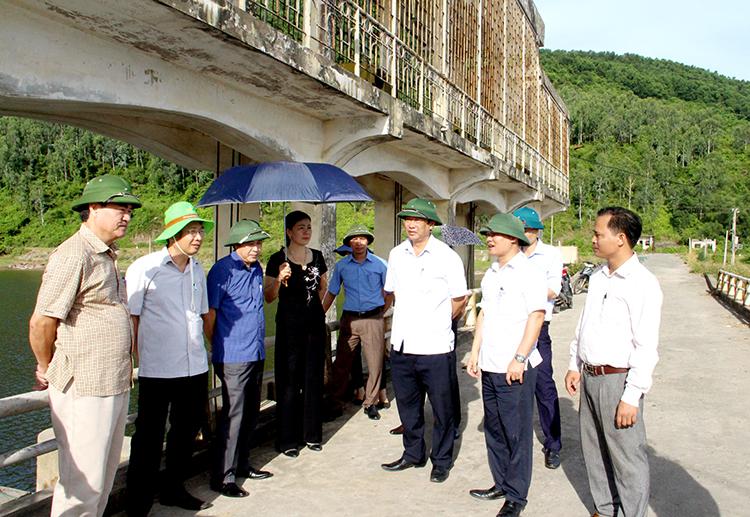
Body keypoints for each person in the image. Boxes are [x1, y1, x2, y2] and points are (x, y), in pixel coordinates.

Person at [28, 175, 140, 516]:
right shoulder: (74, 254)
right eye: (119, 208)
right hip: (85, 386)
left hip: (112, 382)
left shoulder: (106, 255)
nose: (126, 216)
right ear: (92, 208)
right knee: (82, 484)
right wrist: (45, 366)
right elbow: (42, 322)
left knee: (102, 477)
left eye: (129, 210)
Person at [564, 207, 662, 517]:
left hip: (618, 380)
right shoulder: (599, 276)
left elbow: (646, 346)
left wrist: (631, 396)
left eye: (598, 234)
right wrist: (574, 363)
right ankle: (605, 509)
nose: (593, 239)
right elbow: (585, 324)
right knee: (594, 450)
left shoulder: (642, 283)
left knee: (626, 457)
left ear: (620, 238)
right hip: (591, 376)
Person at [124, 202, 213, 515]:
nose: (198, 237)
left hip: (194, 366)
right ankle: (138, 502)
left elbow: (202, 315)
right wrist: (133, 361)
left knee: (185, 433)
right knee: (148, 437)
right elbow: (132, 319)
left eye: (200, 231)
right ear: (173, 234)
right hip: (157, 369)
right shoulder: (144, 269)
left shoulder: (197, 270)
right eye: (191, 231)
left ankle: (174, 490)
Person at [380, 198, 468, 484]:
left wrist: (438, 322)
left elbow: (459, 300)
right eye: (407, 219)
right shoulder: (396, 254)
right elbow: (390, 292)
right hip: (403, 345)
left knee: (442, 408)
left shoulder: (447, 257)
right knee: (408, 405)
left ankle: (441, 460)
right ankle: (413, 453)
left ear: (431, 224)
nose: (411, 224)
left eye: (417, 220)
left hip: (435, 347)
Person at [466, 213, 546, 517]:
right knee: (495, 427)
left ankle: (516, 495)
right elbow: (484, 314)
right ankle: (500, 482)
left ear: (513, 239)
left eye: (495, 234)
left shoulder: (529, 272)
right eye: (488, 234)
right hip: (491, 363)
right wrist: (475, 352)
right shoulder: (492, 273)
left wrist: (520, 358)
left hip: (515, 366)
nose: (489, 239)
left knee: (516, 432)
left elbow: (536, 316)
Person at [206, 220, 274, 498]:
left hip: (255, 351)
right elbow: (210, 315)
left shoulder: (256, 269)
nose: (256, 249)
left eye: (258, 243)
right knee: (233, 415)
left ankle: (242, 464)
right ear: (237, 244)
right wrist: (219, 344)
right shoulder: (222, 270)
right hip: (233, 355)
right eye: (250, 244)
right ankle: (223, 477)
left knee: (250, 412)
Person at [264, 210, 328, 456]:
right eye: (301, 227)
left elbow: (323, 287)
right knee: (288, 382)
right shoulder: (277, 259)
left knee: (313, 379)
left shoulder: (318, 257)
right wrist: (279, 279)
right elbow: (269, 297)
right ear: (289, 232)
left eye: (309, 227)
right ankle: (288, 440)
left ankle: (312, 435)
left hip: (314, 327)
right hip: (289, 329)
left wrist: (312, 310)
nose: (306, 231)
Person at [323, 224, 392, 420]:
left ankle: (371, 403)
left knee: (375, 363)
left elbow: (389, 293)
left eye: (362, 238)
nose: (358, 242)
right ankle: (335, 403)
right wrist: (319, 314)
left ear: (368, 241)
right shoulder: (342, 266)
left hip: (373, 318)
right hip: (350, 319)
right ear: (349, 244)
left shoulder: (380, 264)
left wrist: (380, 313)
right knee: (341, 363)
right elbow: (332, 292)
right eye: (354, 239)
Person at [512, 206, 564, 469]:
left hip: (538, 328)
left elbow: (554, 289)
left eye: (528, 230)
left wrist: (524, 291)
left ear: (537, 231)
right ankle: (514, 443)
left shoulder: (550, 255)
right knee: (512, 387)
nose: (523, 235)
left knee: (543, 386)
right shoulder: (511, 254)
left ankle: (553, 444)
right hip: (512, 327)